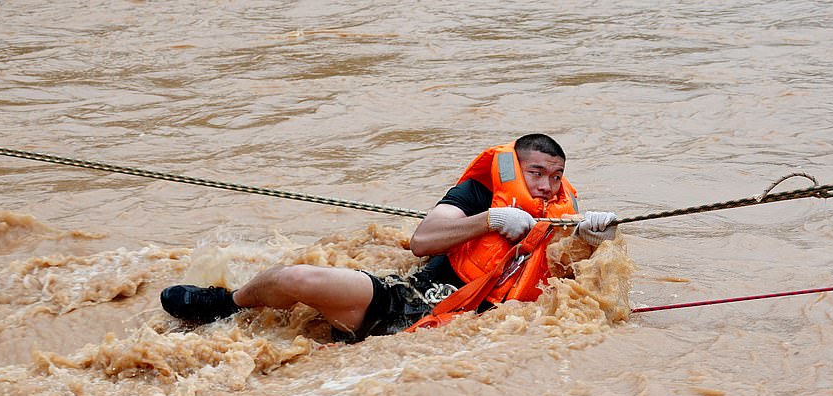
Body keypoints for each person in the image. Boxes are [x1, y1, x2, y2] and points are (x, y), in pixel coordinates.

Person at [160, 133, 617, 341]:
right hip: (410, 299)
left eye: (555, 177)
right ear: (517, 168)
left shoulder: (559, 217)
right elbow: (423, 240)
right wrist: (491, 221)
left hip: (474, 327)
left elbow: (573, 286)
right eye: (536, 172)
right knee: (297, 278)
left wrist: (594, 241)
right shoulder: (480, 191)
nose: (546, 185)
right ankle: (226, 302)